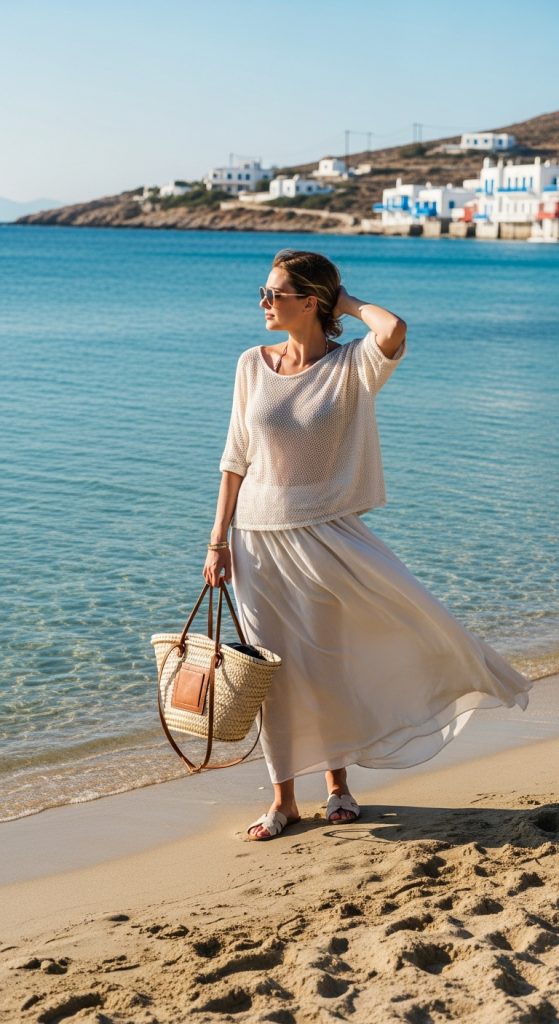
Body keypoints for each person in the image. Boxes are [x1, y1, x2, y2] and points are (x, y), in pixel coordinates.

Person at [203, 249, 531, 841]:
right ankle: (283, 801)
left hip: (326, 534)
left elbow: (393, 328)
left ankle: (338, 786)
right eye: (263, 291)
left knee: (328, 663)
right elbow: (235, 457)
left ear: (310, 302)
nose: (263, 302)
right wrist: (217, 540)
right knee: (272, 674)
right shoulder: (252, 363)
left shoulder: (353, 365)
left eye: (274, 293)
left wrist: (346, 302)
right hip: (255, 542)